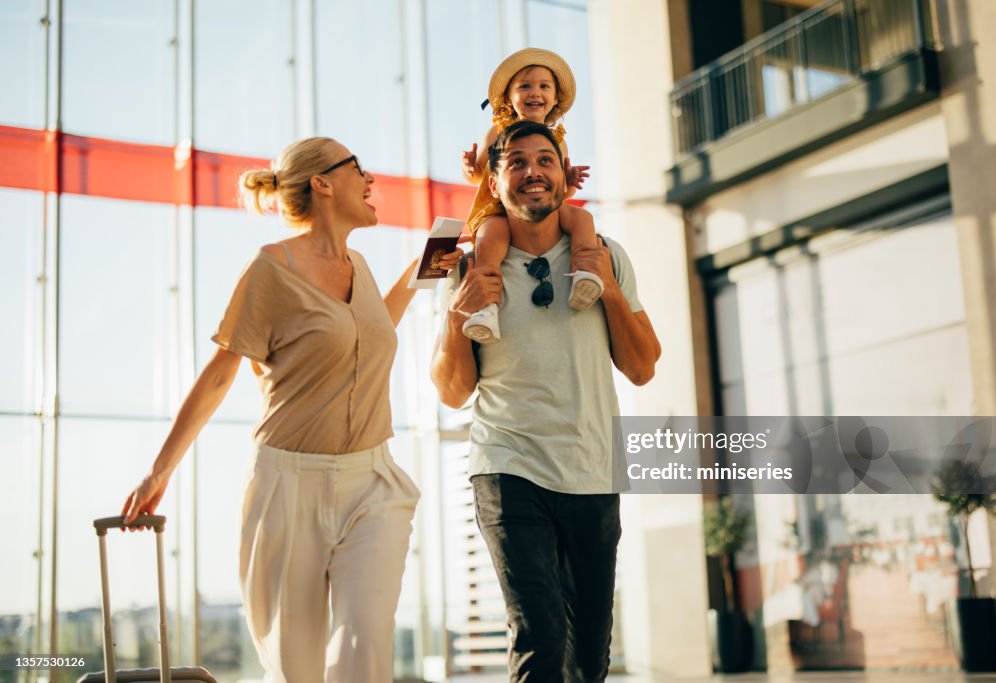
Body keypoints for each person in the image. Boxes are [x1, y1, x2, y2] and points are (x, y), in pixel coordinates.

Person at [121, 137, 459, 683]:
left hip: (371, 483)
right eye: (359, 169)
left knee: (363, 643)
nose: (371, 180)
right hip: (287, 487)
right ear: (322, 183)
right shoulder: (271, 269)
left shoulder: (361, 265)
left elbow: (372, 328)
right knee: (296, 668)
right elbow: (219, 374)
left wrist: (432, 261)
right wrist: (159, 471)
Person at [431, 120, 661, 682]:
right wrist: (460, 315)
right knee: (540, 636)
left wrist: (605, 286)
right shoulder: (465, 266)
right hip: (508, 466)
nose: (532, 171)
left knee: (588, 656)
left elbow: (642, 367)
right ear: (495, 179)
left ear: (563, 176)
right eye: (516, 162)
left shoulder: (606, 253)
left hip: (591, 467)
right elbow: (453, 392)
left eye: (545, 160)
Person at [460, 47, 603, 344]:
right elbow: (481, 175)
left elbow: (559, 191)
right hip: (499, 208)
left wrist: (571, 182)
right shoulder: (498, 130)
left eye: (543, 86)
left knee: (582, 218)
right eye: (524, 86)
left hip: (544, 208)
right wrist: (471, 168)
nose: (534, 92)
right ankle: (486, 308)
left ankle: (584, 274)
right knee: (489, 243)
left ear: (554, 98)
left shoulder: (558, 141)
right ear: (509, 98)